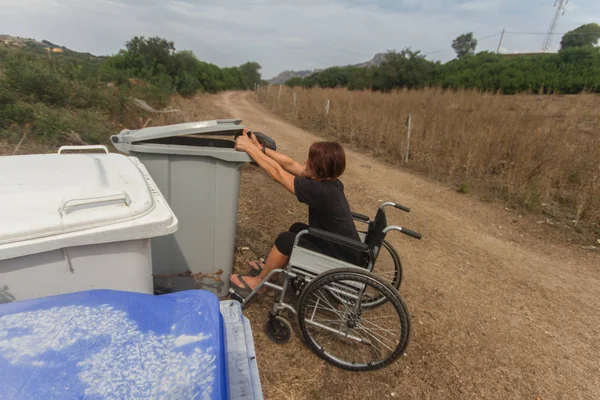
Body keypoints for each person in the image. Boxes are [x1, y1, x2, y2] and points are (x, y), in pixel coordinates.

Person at [230, 128, 363, 295]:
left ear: (321, 169)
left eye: (311, 162)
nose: (306, 162)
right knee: (298, 228)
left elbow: (277, 173)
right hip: (346, 249)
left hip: (340, 259)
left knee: (286, 240)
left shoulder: (319, 190)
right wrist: (261, 149)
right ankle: (271, 269)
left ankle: (260, 283)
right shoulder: (330, 182)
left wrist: (249, 149)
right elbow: (291, 165)